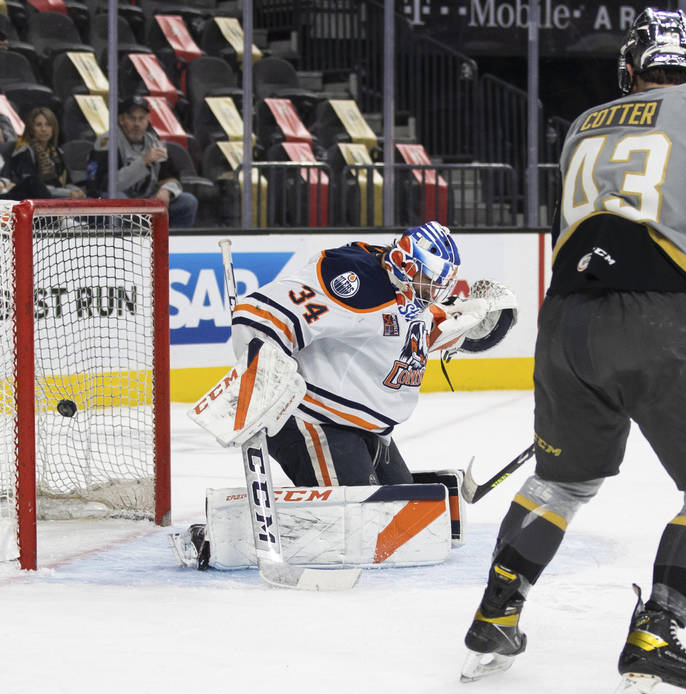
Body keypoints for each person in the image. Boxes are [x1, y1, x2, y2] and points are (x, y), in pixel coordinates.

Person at [459, 8, 686, 694]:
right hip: (654, 317)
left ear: (629, 68)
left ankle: (495, 616)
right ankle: (654, 641)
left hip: (566, 320)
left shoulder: (587, 124)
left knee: (562, 482)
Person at [178, 222, 517, 567]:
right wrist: (264, 374)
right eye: (430, 278)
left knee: (404, 526)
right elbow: (258, 315)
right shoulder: (354, 281)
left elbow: (431, 332)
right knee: (364, 531)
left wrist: (491, 317)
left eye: (441, 282)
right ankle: (213, 538)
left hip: (368, 431)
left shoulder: (413, 297)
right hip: (312, 420)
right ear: (407, 262)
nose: (435, 290)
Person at [87, 94, 198, 227]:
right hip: (119, 203)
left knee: (188, 202)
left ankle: (171, 243)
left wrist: (166, 190)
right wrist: (143, 161)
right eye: (132, 118)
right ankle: (119, 243)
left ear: (148, 120)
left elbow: (171, 177)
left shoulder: (154, 142)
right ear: (121, 120)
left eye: (141, 119)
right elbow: (107, 185)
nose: (137, 124)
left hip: (147, 202)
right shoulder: (107, 142)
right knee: (117, 200)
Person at [2, 107, 86, 200]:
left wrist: (78, 192)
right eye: (38, 125)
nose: (44, 129)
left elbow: (67, 183)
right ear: (31, 128)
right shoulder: (24, 151)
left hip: (54, 195)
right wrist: (68, 193)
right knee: (34, 183)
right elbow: (33, 187)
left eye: (48, 125)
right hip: (25, 198)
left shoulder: (57, 153)